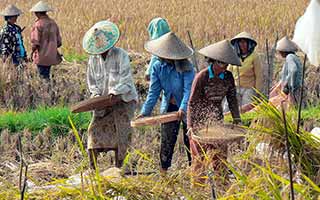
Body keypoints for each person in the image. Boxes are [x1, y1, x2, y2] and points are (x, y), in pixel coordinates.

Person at [83, 20, 138, 169]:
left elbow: (126, 80)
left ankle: (119, 168)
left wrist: (114, 93)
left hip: (123, 100)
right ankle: (92, 170)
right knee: (93, 131)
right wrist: (95, 96)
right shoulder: (93, 60)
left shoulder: (121, 55)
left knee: (121, 135)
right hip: (103, 103)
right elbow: (92, 82)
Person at [138, 32, 195, 173]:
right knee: (167, 140)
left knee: (190, 138)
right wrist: (145, 112)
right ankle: (164, 171)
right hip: (169, 105)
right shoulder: (158, 67)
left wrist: (182, 108)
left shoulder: (187, 67)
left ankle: (194, 170)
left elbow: (189, 90)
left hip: (187, 106)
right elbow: (154, 91)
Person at [187, 40, 241, 182]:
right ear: (214, 62)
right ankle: (198, 193)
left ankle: (222, 189)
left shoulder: (228, 77)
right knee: (200, 161)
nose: (225, 67)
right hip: (200, 123)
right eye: (222, 64)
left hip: (217, 120)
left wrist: (237, 120)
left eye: (227, 64)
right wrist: (190, 126)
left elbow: (232, 100)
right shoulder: (202, 77)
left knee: (220, 160)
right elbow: (192, 103)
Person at [225, 32, 264, 112]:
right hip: (235, 87)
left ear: (249, 44)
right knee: (228, 108)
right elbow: (229, 70)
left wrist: (258, 92)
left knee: (247, 109)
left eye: (244, 42)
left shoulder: (254, 56)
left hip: (249, 89)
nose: (242, 44)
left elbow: (258, 75)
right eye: (240, 42)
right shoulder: (235, 56)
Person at [30, 1, 62, 80]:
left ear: (38, 13)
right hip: (51, 56)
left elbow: (35, 42)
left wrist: (31, 53)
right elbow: (59, 42)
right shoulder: (53, 23)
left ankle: (45, 91)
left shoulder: (38, 24)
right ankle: (49, 90)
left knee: (42, 76)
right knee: (47, 74)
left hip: (41, 56)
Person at [269, 36, 302, 106]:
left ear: (283, 51)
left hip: (292, 91)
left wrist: (289, 85)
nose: (279, 53)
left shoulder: (289, 57)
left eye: (280, 51)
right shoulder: (293, 57)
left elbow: (293, 70)